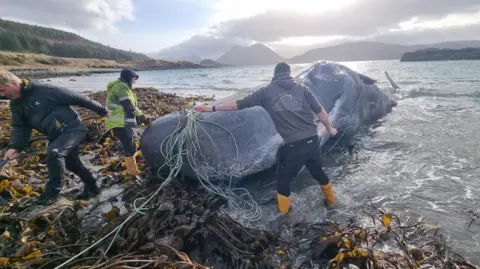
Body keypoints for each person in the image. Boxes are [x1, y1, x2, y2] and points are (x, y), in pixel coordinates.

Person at [194, 62, 337, 213]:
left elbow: (239, 104)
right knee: (318, 172)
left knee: (283, 181)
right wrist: (330, 129)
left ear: (274, 75)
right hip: (313, 140)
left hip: (294, 146)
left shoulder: (265, 92)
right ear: (289, 73)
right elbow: (321, 113)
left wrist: (211, 108)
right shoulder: (303, 89)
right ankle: (331, 202)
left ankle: (284, 217)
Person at [0, 70, 108, 205]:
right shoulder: (16, 104)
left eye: (2, 90)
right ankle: (93, 187)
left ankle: (52, 193)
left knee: (55, 152)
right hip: (56, 135)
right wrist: (14, 147)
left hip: (73, 128)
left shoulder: (44, 90)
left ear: (14, 83)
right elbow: (20, 127)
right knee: (72, 164)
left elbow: (76, 97)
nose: (2, 95)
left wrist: (100, 109)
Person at [104, 69, 149, 175]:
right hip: (119, 122)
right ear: (128, 78)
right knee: (129, 145)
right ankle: (132, 171)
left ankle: (133, 162)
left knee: (131, 142)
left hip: (122, 121)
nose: (134, 81)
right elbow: (128, 105)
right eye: (133, 79)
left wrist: (137, 116)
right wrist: (141, 115)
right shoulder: (121, 87)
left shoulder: (123, 86)